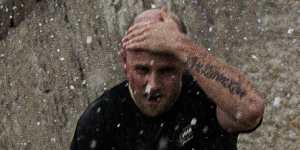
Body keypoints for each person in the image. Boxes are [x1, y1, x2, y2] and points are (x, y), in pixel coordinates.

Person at [70, 7, 264, 150]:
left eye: (166, 71)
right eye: (142, 70)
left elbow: (250, 109)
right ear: (124, 62)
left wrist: (181, 46)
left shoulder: (207, 96)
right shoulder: (99, 120)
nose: (152, 86)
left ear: (183, 64)